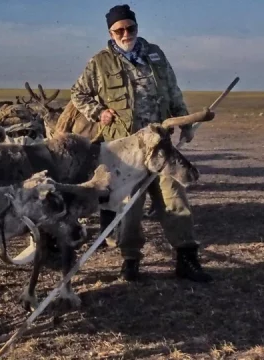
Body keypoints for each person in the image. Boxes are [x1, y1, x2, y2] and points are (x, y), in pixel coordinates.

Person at [69, 4, 212, 283]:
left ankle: (186, 259)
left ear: (137, 27)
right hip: (125, 152)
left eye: (130, 28)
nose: (125, 34)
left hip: (160, 145)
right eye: (119, 30)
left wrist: (185, 123)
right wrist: (99, 112)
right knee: (130, 207)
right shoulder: (100, 62)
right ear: (110, 32)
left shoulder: (155, 55)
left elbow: (173, 91)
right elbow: (78, 93)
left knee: (174, 197)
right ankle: (131, 261)